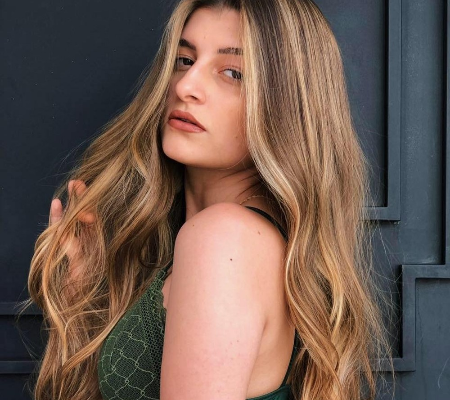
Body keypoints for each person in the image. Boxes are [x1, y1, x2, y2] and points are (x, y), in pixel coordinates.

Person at [26, 0, 392, 399]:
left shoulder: (223, 240)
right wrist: (83, 299)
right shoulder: (229, 241)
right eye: (184, 60)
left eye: (232, 73)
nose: (185, 86)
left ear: (288, 106)